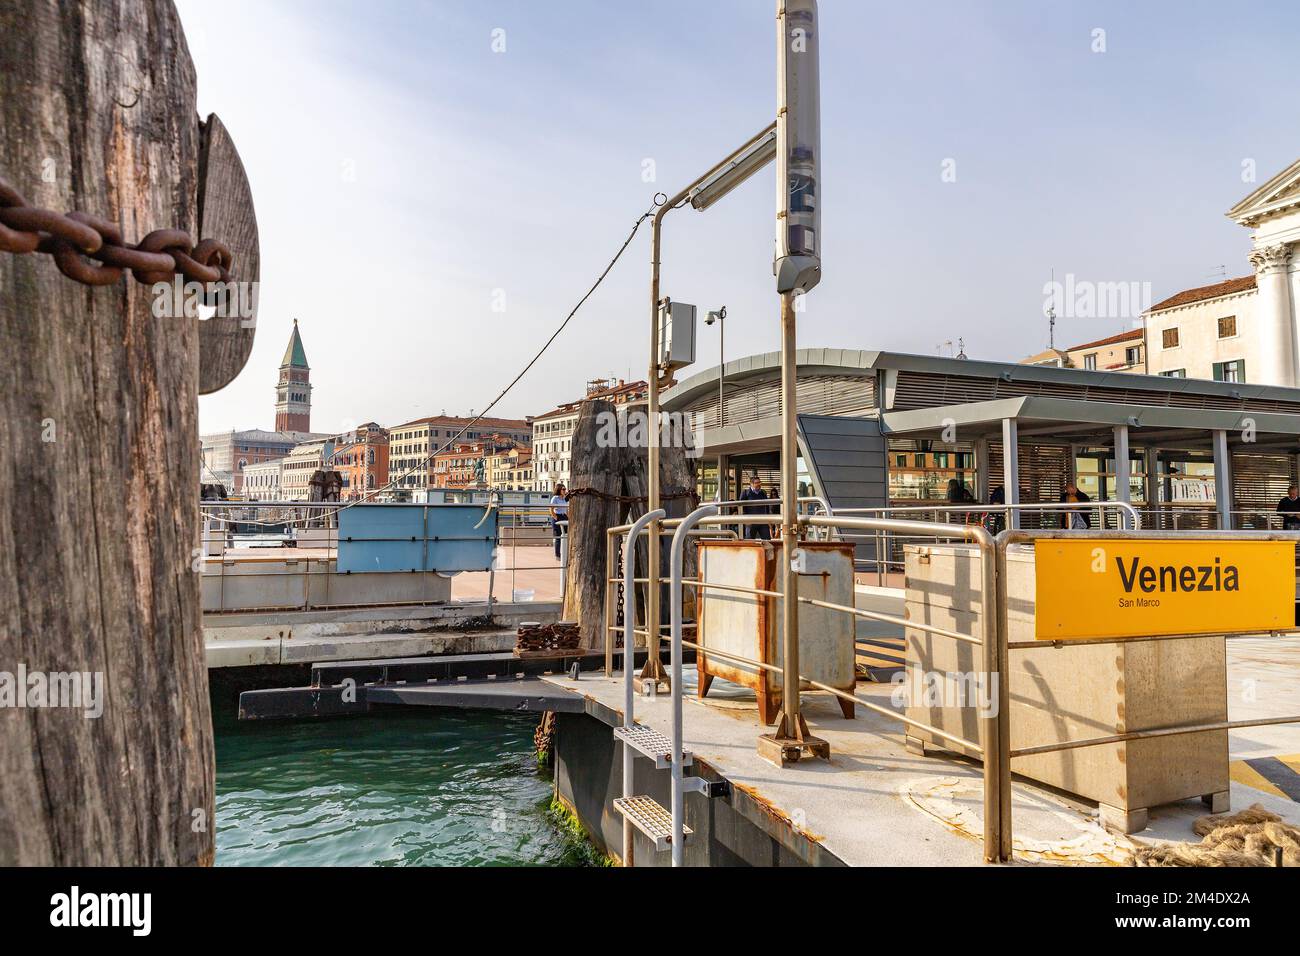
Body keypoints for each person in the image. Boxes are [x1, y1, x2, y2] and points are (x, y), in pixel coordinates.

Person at [739, 474, 773, 540]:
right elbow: (741, 506)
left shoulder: (763, 492)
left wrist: (768, 519)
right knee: (750, 542)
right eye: (757, 483)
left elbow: (767, 506)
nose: (759, 484)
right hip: (751, 521)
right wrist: (745, 520)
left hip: (763, 521)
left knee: (767, 540)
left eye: (759, 482)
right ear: (751, 484)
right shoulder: (745, 493)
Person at [549, 483, 569, 559]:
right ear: (559, 490)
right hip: (558, 517)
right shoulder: (555, 498)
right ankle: (558, 555)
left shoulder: (564, 498)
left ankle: (565, 553)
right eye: (563, 489)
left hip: (564, 517)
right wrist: (555, 517)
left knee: (566, 536)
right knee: (558, 537)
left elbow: (566, 509)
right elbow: (551, 508)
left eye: (565, 489)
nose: (564, 490)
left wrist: (569, 517)